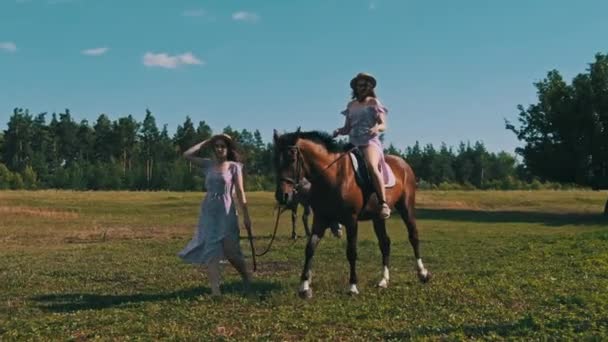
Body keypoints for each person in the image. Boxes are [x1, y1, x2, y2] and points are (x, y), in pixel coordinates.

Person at [178, 133, 252, 296]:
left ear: (228, 149)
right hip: (209, 210)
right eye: (216, 146)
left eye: (222, 146)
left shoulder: (234, 166)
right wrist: (207, 141)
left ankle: (247, 277)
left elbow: (240, 192)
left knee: (232, 252)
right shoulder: (207, 164)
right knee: (211, 249)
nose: (219, 149)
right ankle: (215, 292)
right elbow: (187, 155)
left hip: (227, 211)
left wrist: (246, 216)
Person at [333, 72, 391, 219]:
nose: (363, 87)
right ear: (355, 87)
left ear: (370, 87)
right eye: (360, 85)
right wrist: (339, 131)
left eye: (366, 84)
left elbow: (383, 124)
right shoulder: (351, 105)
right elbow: (347, 128)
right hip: (353, 142)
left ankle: (383, 203)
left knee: (371, 165)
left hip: (369, 142)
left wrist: (376, 128)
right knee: (335, 166)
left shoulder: (374, 102)